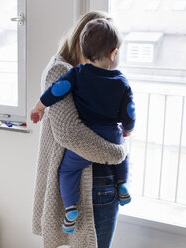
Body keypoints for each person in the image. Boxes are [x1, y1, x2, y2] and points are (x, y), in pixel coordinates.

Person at [32, 11, 128, 248]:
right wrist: (118, 153)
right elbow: (69, 133)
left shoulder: (89, 75)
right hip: (93, 182)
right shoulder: (63, 70)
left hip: (100, 180)